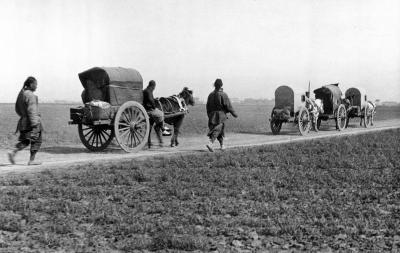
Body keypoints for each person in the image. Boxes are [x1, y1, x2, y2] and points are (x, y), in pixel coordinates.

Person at [8, 76, 43, 165]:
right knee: (37, 140)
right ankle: (32, 160)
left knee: (26, 140)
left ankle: (13, 152)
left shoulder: (21, 94)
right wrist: (35, 124)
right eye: (35, 84)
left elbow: (17, 109)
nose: (36, 86)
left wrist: (23, 116)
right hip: (32, 122)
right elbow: (32, 111)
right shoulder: (31, 95)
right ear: (31, 84)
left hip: (23, 122)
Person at [206, 78, 238, 152]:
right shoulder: (223, 94)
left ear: (214, 85)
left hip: (212, 115)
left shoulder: (210, 95)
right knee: (218, 129)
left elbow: (207, 107)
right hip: (221, 115)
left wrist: (209, 115)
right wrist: (234, 114)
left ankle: (222, 145)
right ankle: (210, 143)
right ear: (221, 85)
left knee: (219, 130)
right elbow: (228, 106)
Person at [143, 80, 165, 147]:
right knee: (161, 114)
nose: (154, 88)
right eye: (154, 87)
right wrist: (154, 107)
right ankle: (162, 127)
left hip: (146, 108)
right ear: (153, 86)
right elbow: (150, 100)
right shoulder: (148, 91)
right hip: (149, 109)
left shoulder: (145, 90)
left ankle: (160, 126)